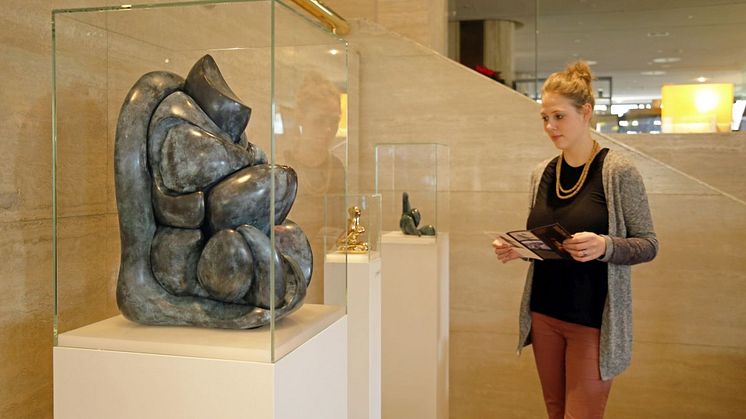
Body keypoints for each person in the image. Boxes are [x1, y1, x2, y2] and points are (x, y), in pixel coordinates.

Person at [492, 61, 658, 419]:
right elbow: (546, 242)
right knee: (555, 411)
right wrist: (518, 249)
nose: (550, 127)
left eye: (559, 116)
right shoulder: (542, 173)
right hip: (544, 312)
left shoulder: (618, 171)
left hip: (593, 320)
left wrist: (605, 246)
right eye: (544, 118)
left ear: (586, 113)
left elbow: (648, 243)